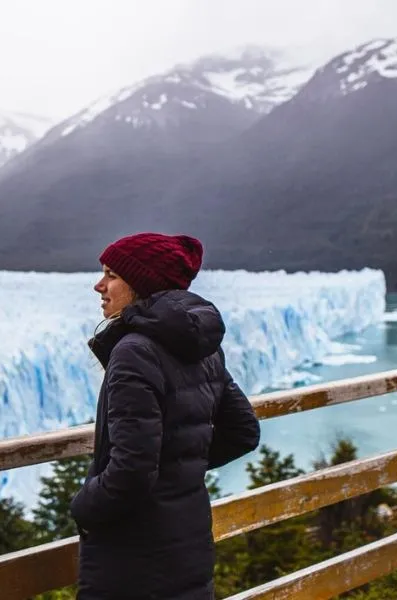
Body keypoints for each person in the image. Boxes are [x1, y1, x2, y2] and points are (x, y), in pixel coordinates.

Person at [70, 232, 261, 599]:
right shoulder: (201, 347)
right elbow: (242, 431)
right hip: (186, 541)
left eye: (111, 274)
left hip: (132, 557)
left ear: (141, 283)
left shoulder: (134, 351)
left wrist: (84, 505)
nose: (99, 285)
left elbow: (132, 471)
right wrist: (178, 466)